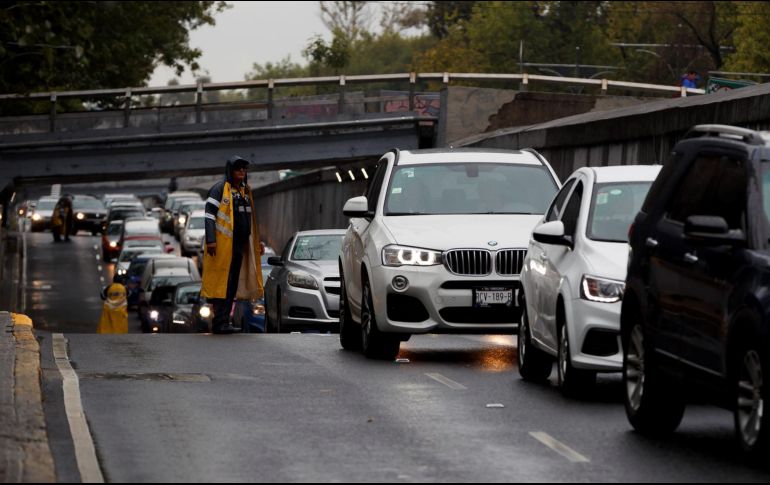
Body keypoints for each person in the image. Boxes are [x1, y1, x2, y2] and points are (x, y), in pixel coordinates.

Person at [201, 156, 264, 334]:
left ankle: (224, 321)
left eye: (244, 169)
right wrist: (211, 240)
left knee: (232, 284)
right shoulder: (220, 189)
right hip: (222, 248)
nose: (242, 172)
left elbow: (250, 221)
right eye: (238, 169)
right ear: (230, 171)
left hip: (239, 246)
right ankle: (219, 322)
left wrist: (256, 242)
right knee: (222, 284)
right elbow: (209, 215)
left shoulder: (244, 191)